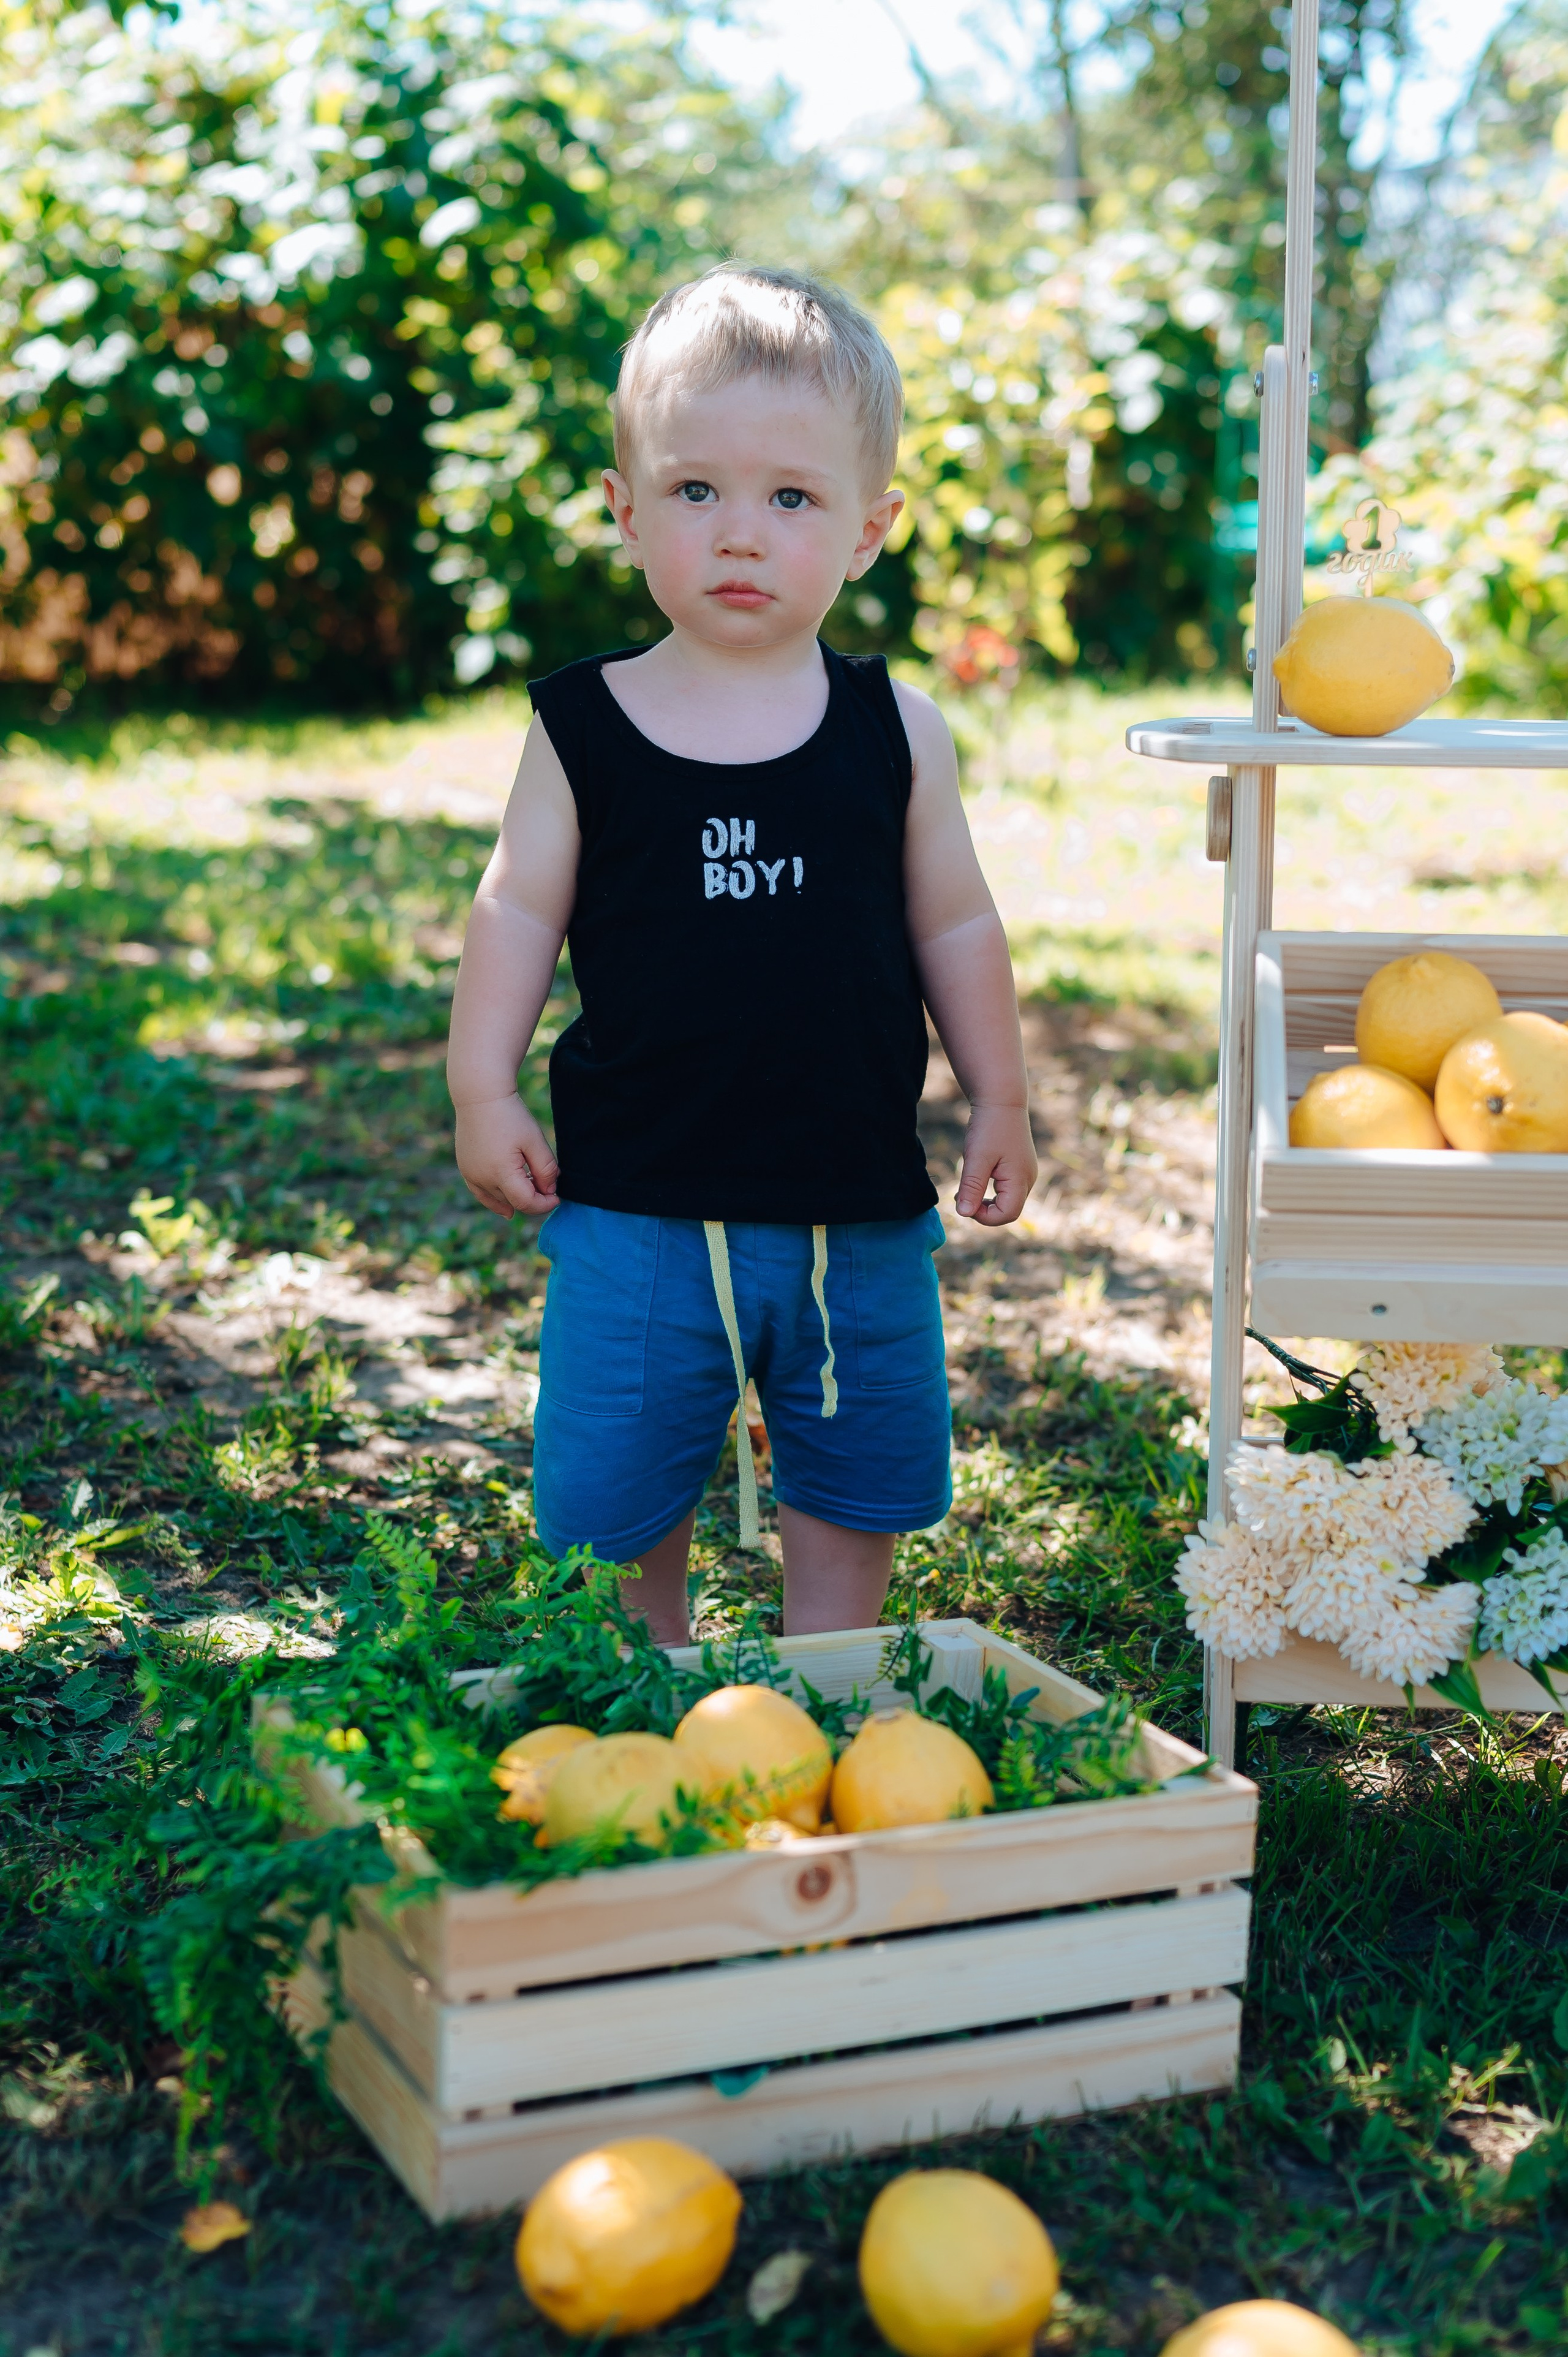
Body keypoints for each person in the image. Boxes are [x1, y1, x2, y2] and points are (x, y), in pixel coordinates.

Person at [447, 263, 1036, 1643]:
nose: (738, 534)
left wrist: (998, 1095)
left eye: (791, 499)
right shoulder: (582, 727)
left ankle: (828, 1680)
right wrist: (483, 1087)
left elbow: (954, 921)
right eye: (696, 489)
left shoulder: (896, 731)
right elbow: (516, 909)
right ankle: (639, 1693)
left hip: (852, 1203)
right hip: (636, 1205)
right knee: (617, 1487)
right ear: (625, 509)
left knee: (853, 1478)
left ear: (869, 528)